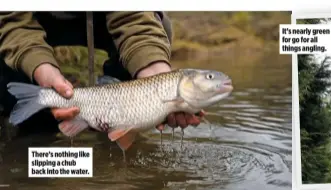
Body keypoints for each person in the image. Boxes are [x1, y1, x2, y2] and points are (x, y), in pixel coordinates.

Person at [0, 12, 204, 135]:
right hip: (32, 18)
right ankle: (34, 133)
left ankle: (115, 131)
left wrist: (156, 72)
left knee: (160, 23)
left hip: (103, 17)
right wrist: (41, 69)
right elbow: (11, 20)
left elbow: (134, 18)